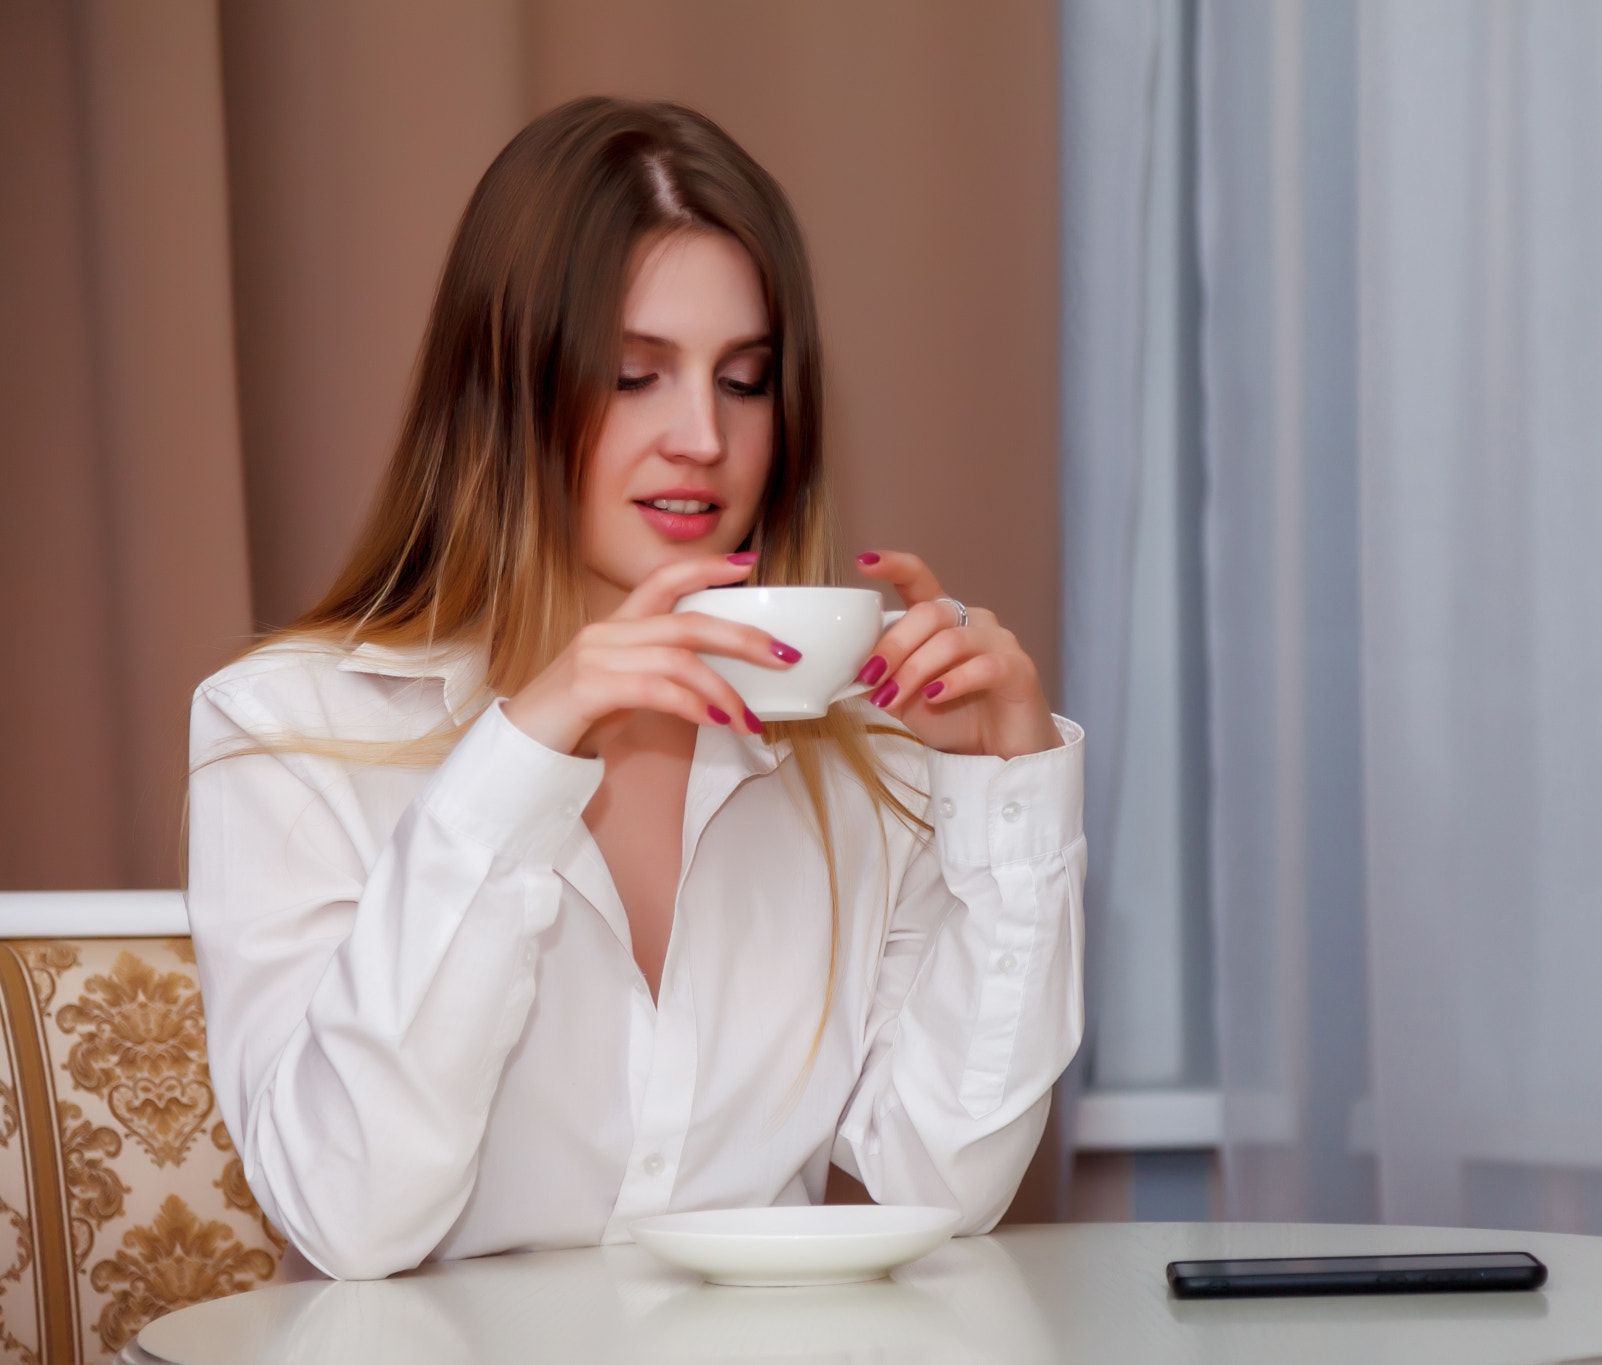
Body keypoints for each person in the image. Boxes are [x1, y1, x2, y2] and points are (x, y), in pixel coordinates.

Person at [186, 97, 1084, 1281]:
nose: (702, 438)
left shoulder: (861, 764)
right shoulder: (288, 730)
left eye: (745, 379)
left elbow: (942, 1181)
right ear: (500, 392)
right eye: (631, 375)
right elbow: (348, 1217)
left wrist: (1001, 791)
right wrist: (523, 758)